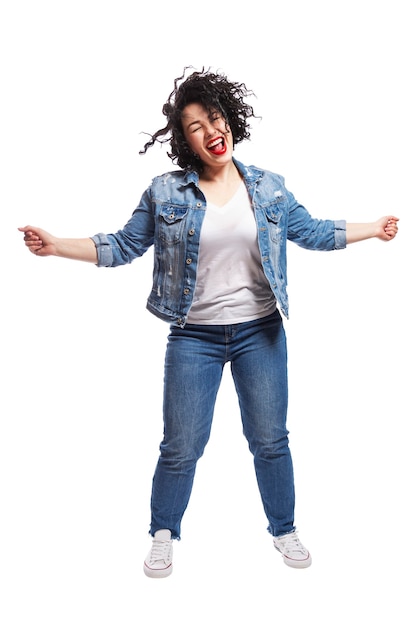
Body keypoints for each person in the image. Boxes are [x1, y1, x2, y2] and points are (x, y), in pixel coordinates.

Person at [19, 68, 399, 578]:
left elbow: (309, 231)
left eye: (214, 117)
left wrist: (372, 229)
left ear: (230, 120)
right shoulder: (166, 192)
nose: (209, 130)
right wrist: (56, 245)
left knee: (270, 439)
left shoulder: (268, 187)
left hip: (259, 333)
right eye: (195, 126)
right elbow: (121, 245)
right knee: (182, 445)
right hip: (192, 336)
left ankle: (283, 529)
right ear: (186, 140)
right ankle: (163, 533)